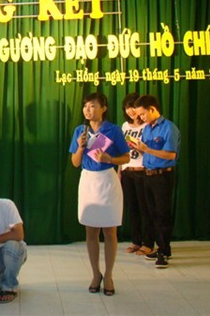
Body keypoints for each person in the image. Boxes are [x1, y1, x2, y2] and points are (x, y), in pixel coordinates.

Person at [69, 92, 130, 296]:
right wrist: (80, 147)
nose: (88, 110)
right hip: (88, 181)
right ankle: (96, 274)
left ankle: (109, 275)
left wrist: (109, 159)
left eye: (93, 106)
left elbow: (126, 157)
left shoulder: (113, 130)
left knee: (110, 231)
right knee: (91, 231)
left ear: (103, 108)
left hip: (107, 180)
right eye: (85, 106)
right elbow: (75, 162)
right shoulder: (80, 131)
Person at [131, 94, 181, 269]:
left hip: (162, 176)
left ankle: (164, 251)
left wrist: (147, 149)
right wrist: (138, 148)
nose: (141, 118)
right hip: (148, 174)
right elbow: (147, 151)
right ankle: (159, 247)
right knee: (151, 213)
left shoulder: (169, 128)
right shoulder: (147, 129)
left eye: (143, 114)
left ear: (152, 109)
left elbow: (170, 155)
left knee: (162, 214)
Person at [119, 92, 154, 256]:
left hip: (142, 170)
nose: (131, 111)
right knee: (132, 208)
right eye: (127, 108)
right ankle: (136, 241)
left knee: (145, 208)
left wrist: (140, 147)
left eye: (133, 107)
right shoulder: (124, 126)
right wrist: (119, 171)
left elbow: (151, 149)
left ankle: (148, 243)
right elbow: (121, 151)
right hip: (128, 171)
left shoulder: (147, 125)